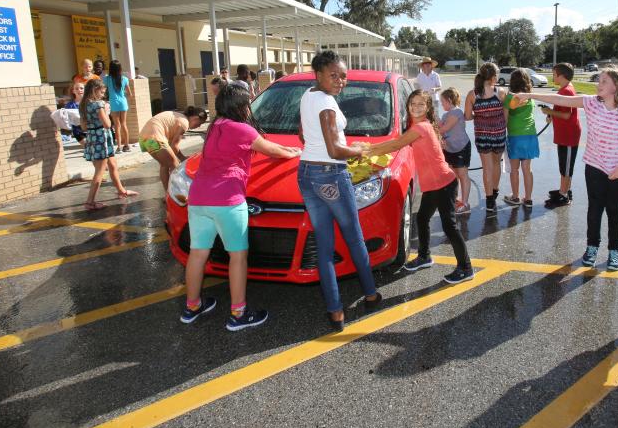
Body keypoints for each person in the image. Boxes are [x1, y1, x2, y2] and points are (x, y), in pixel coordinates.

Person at [181, 84, 301, 330]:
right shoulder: (242, 130)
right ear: (240, 107)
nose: (249, 108)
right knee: (238, 257)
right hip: (227, 201)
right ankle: (238, 314)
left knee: (198, 254)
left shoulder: (215, 127)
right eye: (247, 103)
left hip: (199, 199)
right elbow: (272, 150)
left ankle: (192, 306)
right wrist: (294, 152)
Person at [520, 67, 618, 271]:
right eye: (599, 80)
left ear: (617, 86)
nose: (598, 84)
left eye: (604, 81)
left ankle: (614, 251)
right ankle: (592, 247)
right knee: (594, 210)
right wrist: (528, 94)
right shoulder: (591, 103)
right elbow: (561, 101)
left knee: (614, 211)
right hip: (594, 167)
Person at [297, 50, 381, 332]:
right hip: (331, 174)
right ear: (318, 74)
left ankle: (335, 313)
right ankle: (370, 294)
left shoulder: (308, 95)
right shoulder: (327, 104)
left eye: (343, 76)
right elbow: (335, 150)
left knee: (324, 245)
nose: (340, 80)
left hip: (307, 172)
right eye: (334, 75)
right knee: (354, 237)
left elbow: (302, 134)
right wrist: (357, 150)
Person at [367, 90, 474, 284]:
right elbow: (398, 143)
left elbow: (395, 145)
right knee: (423, 218)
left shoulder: (422, 127)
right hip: (434, 185)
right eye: (412, 104)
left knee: (449, 227)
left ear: (428, 107)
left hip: (443, 184)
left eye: (420, 104)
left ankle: (466, 268)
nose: (415, 107)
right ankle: (424, 256)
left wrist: (365, 150)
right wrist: (373, 149)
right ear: (408, 105)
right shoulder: (420, 126)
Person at [79, 78, 138, 210]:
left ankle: (121, 190)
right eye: (101, 92)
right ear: (95, 91)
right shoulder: (98, 104)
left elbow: (83, 126)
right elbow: (107, 124)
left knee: (112, 165)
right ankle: (90, 202)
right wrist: (106, 111)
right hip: (102, 138)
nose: (103, 95)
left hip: (93, 137)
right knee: (100, 171)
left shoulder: (83, 105)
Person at [464, 62, 507, 213]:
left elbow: (468, 116)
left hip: (482, 136)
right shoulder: (500, 92)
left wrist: (480, 114)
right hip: (499, 134)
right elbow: (506, 116)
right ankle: (494, 192)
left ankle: (489, 200)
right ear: (494, 76)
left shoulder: (473, 94)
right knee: (496, 165)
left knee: (487, 168)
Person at [138, 106, 209, 190]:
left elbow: (172, 146)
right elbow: (174, 146)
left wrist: (181, 158)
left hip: (144, 139)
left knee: (164, 165)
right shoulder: (184, 123)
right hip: (155, 137)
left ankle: (168, 193)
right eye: (200, 123)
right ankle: (179, 194)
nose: (198, 126)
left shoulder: (178, 117)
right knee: (175, 165)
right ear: (195, 118)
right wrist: (183, 159)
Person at [544, 63, 581, 209]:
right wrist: (551, 115)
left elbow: (566, 115)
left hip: (569, 136)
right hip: (564, 135)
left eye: (554, 74)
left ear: (561, 76)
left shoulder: (566, 92)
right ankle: (563, 190)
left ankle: (564, 195)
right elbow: (562, 112)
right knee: (564, 166)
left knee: (566, 167)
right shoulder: (564, 89)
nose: (553, 77)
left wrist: (550, 112)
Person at [502, 68, 539, 208]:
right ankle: (528, 199)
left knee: (514, 168)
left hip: (515, 136)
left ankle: (515, 196)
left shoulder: (510, 98)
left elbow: (505, 120)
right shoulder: (529, 97)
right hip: (530, 135)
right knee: (527, 168)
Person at [438, 87, 471, 215]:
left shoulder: (457, 112)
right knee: (453, 175)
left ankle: (465, 203)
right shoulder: (446, 114)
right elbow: (439, 126)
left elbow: (444, 128)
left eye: (443, 102)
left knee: (462, 175)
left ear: (450, 100)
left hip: (461, 147)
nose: (442, 104)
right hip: (449, 149)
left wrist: (433, 131)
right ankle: (456, 200)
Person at [105, 60, 134, 153]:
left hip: (113, 103)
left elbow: (103, 89)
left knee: (117, 125)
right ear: (120, 68)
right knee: (124, 124)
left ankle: (119, 147)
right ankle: (127, 146)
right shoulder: (124, 79)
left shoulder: (107, 79)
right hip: (123, 102)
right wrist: (122, 94)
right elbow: (130, 94)